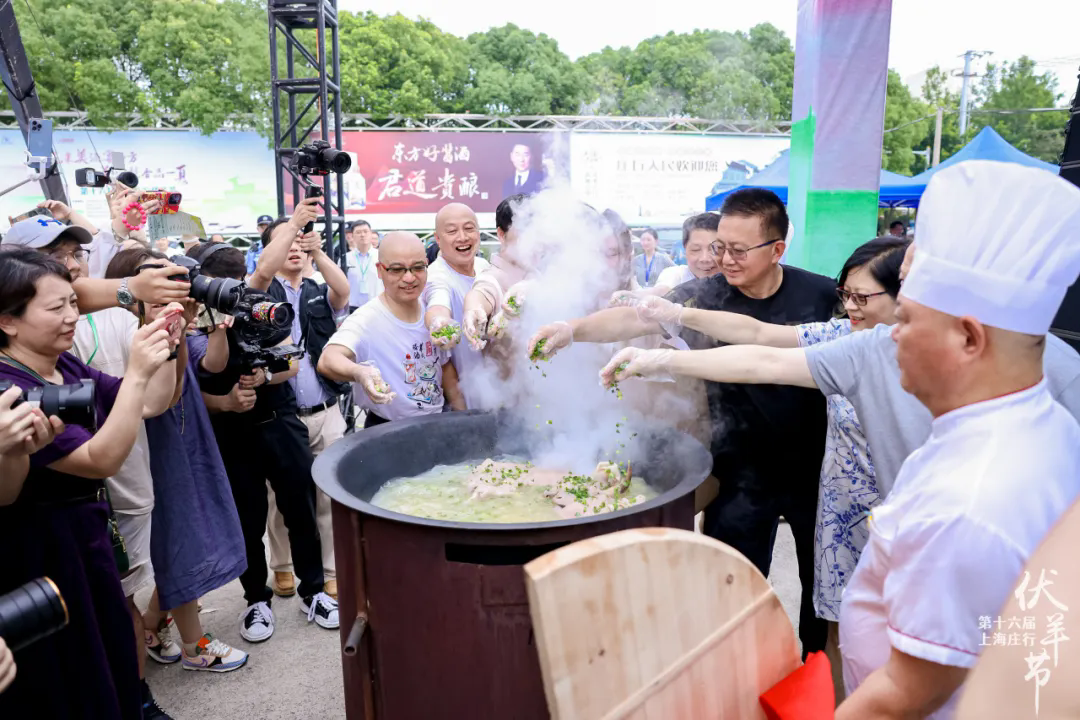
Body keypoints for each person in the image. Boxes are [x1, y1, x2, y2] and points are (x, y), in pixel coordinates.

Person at [530, 188, 838, 656]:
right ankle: (738, 678)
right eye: (719, 247)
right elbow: (635, 319)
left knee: (821, 592)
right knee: (729, 590)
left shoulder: (821, 294)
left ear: (777, 249)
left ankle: (815, 670)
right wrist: (572, 329)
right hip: (737, 470)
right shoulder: (706, 293)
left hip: (815, 470)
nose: (724, 260)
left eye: (738, 250)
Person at [601, 235, 911, 699]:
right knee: (841, 629)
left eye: (861, 297)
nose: (849, 306)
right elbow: (761, 344)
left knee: (907, 637)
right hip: (844, 515)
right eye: (845, 294)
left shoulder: (921, 354)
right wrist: (667, 338)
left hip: (904, 520)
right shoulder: (850, 340)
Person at [834, 162, 1080, 718]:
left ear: (969, 337)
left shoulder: (969, 504)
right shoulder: (1038, 421)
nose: (892, 335)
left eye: (907, 319)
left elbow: (903, 695)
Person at [0, 247, 178, 719]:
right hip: (43, 553)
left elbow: (151, 402)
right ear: (7, 321)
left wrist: (166, 343)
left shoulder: (63, 365)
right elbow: (101, 460)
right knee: (74, 674)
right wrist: (137, 371)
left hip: (89, 537)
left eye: (74, 303)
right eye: (56, 307)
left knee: (111, 656)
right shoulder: (9, 388)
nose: (71, 317)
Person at [95, 248, 248, 674]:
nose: (169, 286)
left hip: (187, 433)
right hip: (155, 443)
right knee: (179, 535)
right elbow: (155, 401)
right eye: (156, 279)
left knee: (190, 531)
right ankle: (193, 644)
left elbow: (185, 379)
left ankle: (152, 624)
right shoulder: (125, 332)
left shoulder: (166, 324)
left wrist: (188, 325)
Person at [188, 241, 339, 643]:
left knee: (301, 510)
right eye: (221, 283)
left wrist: (265, 376)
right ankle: (256, 599)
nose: (230, 292)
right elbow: (199, 382)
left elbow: (291, 363)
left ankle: (314, 592)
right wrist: (227, 398)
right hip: (231, 434)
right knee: (246, 520)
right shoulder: (194, 320)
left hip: (281, 423)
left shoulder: (261, 304)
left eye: (236, 281)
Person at [251, 201, 351, 600]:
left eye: (298, 241)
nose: (294, 247)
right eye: (285, 240)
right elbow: (260, 274)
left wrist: (319, 252)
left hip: (326, 410)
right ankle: (283, 566)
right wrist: (293, 227)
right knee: (280, 497)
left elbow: (343, 292)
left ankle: (331, 570)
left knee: (329, 494)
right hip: (279, 413)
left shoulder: (316, 289)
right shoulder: (258, 292)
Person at [319, 232, 466, 426]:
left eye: (418, 267)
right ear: (380, 270)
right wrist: (360, 373)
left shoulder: (432, 313)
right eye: (397, 270)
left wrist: (465, 418)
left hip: (436, 421)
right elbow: (327, 360)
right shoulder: (367, 318)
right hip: (387, 427)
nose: (409, 278)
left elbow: (445, 368)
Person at [1, 215, 192, 314]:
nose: (74, 265)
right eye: (56, 256)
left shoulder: (114, 315)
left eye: (78, 254)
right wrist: (132, 287)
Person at [423, 202, 491, 405]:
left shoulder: (484, 266)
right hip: (465, 401)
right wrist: (439, 323)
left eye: (469, 228)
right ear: (437, 238)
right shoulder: (436, 276)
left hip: (498, 389)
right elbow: (437, 305)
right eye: (452, 231)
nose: (462, 237)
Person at [649, 213, 721, 295]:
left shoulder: (732, 281)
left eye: (715, 249)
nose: (705, 258)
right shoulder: (677, 276)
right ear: (685, 249)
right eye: (696, 249)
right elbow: (663, 288)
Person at [345, 220, 381, 312]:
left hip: (377, 306)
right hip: (353, 307)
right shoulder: (346, 258)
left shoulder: (381, 256)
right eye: (358, 232)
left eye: (365, 231)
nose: (362, 235)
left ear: (371, 234)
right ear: (352, 236)